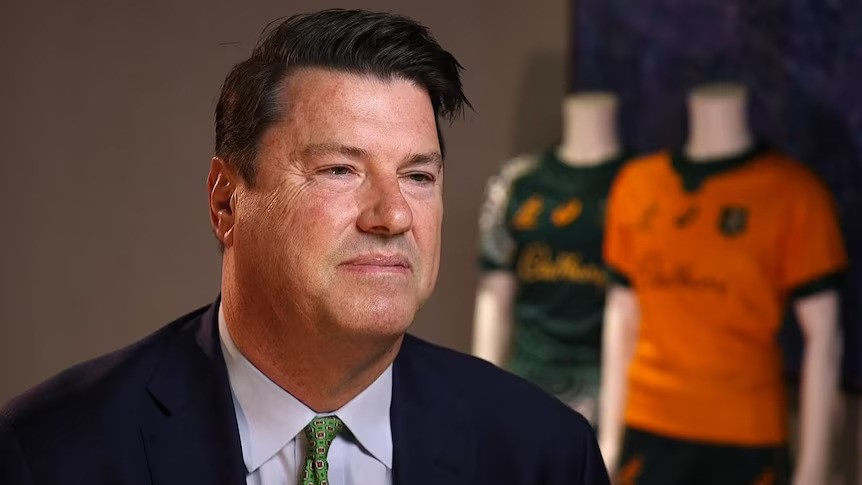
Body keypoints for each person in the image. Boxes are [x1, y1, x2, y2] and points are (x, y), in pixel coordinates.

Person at [0, 9, 608, 485]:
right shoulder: (50, 451)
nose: (392, 215)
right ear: (225, 201)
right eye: (340, 170)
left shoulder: (546, 454)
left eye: (418, 176)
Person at [598, 83, 846, 485]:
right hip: (649, 424)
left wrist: (813, 469)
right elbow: (621, 317)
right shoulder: (637, 186)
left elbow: (826, 338)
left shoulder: (795, 195)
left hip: (746, 433)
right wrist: (609, 441)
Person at [472, 92, 625, 425]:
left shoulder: (638, 187)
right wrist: (481, 401)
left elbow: (628, 311)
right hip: (525, 382)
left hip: (603, 389)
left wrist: (614, 435)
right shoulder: (517, 182)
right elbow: (493, 297)